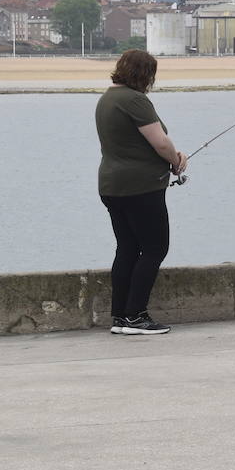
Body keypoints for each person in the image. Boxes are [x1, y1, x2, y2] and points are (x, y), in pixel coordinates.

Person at [95, 49, 188, 336]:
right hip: (141, 186)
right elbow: (159, 142)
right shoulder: (136, 100)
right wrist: (177, 160)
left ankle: (120, 317)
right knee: (155, 248)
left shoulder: (107, 98)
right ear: (145, 74)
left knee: (127, 248)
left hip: (111, 185)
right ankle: (136, 316)